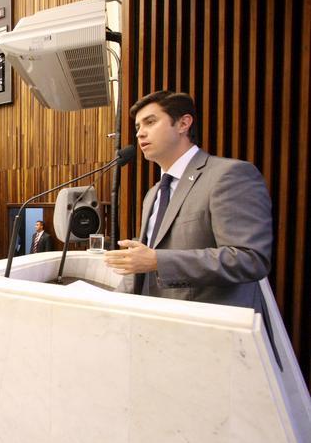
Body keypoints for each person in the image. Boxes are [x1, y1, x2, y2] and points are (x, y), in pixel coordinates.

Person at [104, 90, 272, 313]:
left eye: (150, 122)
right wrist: (107, 304)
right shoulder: (153, 193)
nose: (140, 133)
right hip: (156, 320)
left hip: (207, 322)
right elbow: (143, 265)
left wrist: (158, 261)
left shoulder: (228, 175)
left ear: (183, 123)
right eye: (138, 127)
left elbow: (250, 259)